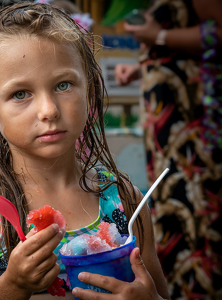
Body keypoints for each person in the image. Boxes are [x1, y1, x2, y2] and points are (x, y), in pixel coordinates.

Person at [0, 2, 170, 300]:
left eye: (63, 85)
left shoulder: (124, 199)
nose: (48, 110)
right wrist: (13, 285)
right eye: (20, 94)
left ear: (90, 91)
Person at [115, 0, 222, 299]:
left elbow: (215, 34)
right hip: (167, 132)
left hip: (192, 129)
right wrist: (141, 68)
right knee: (172, 213)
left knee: (196, 211)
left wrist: (157, 37)